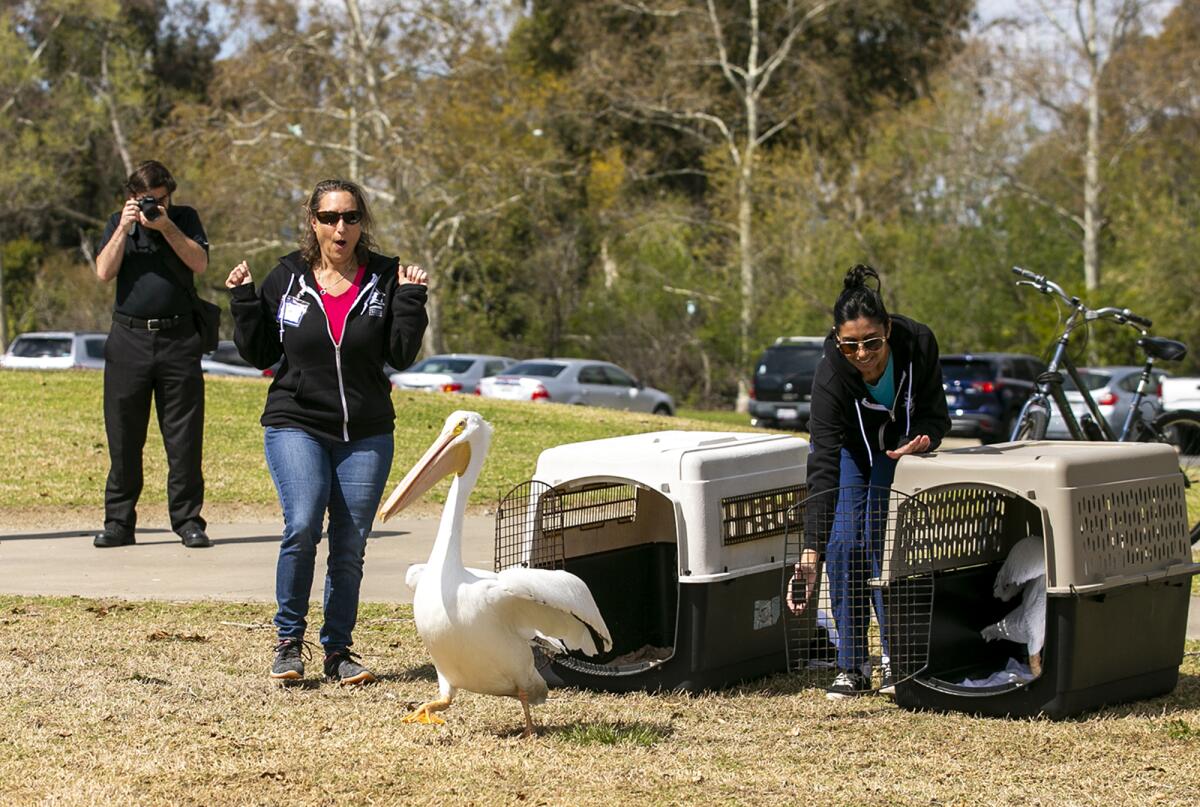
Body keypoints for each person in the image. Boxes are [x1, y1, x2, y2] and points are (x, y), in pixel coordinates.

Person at [226, 179, 429, 685]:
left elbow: (401, 355)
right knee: (302, 524)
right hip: (297, 422)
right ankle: (288, 645)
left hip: (366, 431)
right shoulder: (287, 277)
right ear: (313, 222)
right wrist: (244, 301)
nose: (342, 227)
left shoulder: (386, 277)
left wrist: (412, 298)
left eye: (352, 217)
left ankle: (338, 651)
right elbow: (260, 356)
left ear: (363, 223)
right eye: (331, 217)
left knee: (349, 543)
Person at [786, 264, 949, 700]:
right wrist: (809, 549)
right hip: (853, 454)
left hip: (902, 452)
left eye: (873, 342)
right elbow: (822, 458)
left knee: (882, 539)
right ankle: (852, 665)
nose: (863, 354)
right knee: (843, 545)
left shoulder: (919, 343)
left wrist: (926, 439)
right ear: (839, 341)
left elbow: (938, 414)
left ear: (889, 331)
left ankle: (897, 659)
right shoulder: (831, 373)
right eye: (851, 344)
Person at [93, 160, 212, 549]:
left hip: (178, 338)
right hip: (129, 339)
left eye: (161, 200)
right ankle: (119, 522)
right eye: (146, 201)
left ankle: (188, 520)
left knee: (184, 437)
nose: (154, 207)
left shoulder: (184, 219)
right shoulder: (118, 222)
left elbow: (199, 262)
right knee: (124, 436)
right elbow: (103, 272)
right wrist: (125, 228)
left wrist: (166, 226)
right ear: (131, 198)